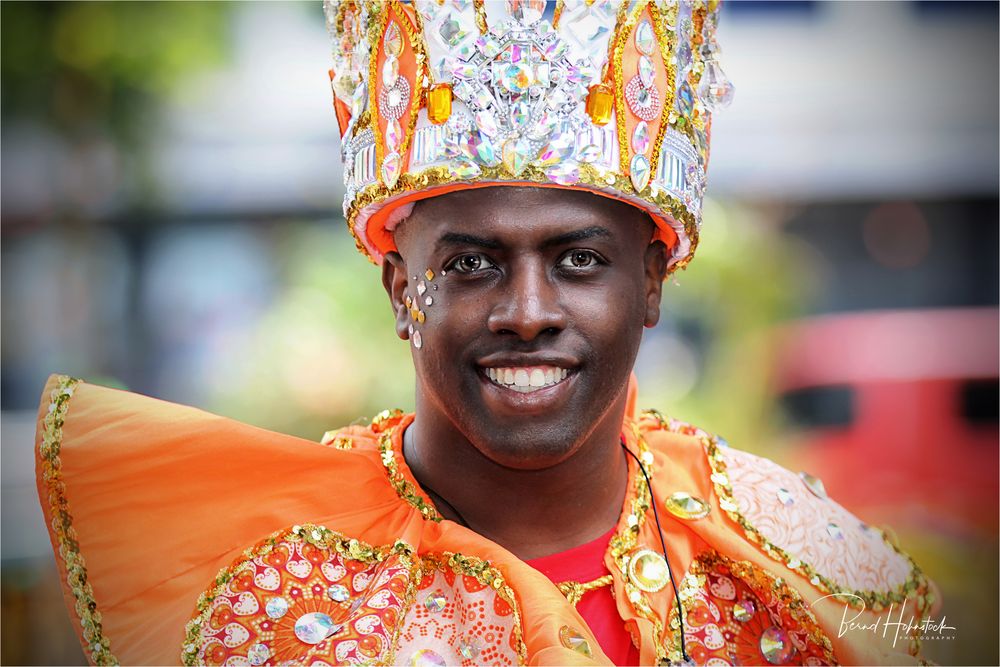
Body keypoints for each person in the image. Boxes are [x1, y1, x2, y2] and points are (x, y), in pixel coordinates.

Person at [36, 1, 939, 665]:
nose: (528, 311)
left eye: (580, 260)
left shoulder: (791, 565)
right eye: (470, 264)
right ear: (400, 287)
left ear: (653, 281)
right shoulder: (280, 603)